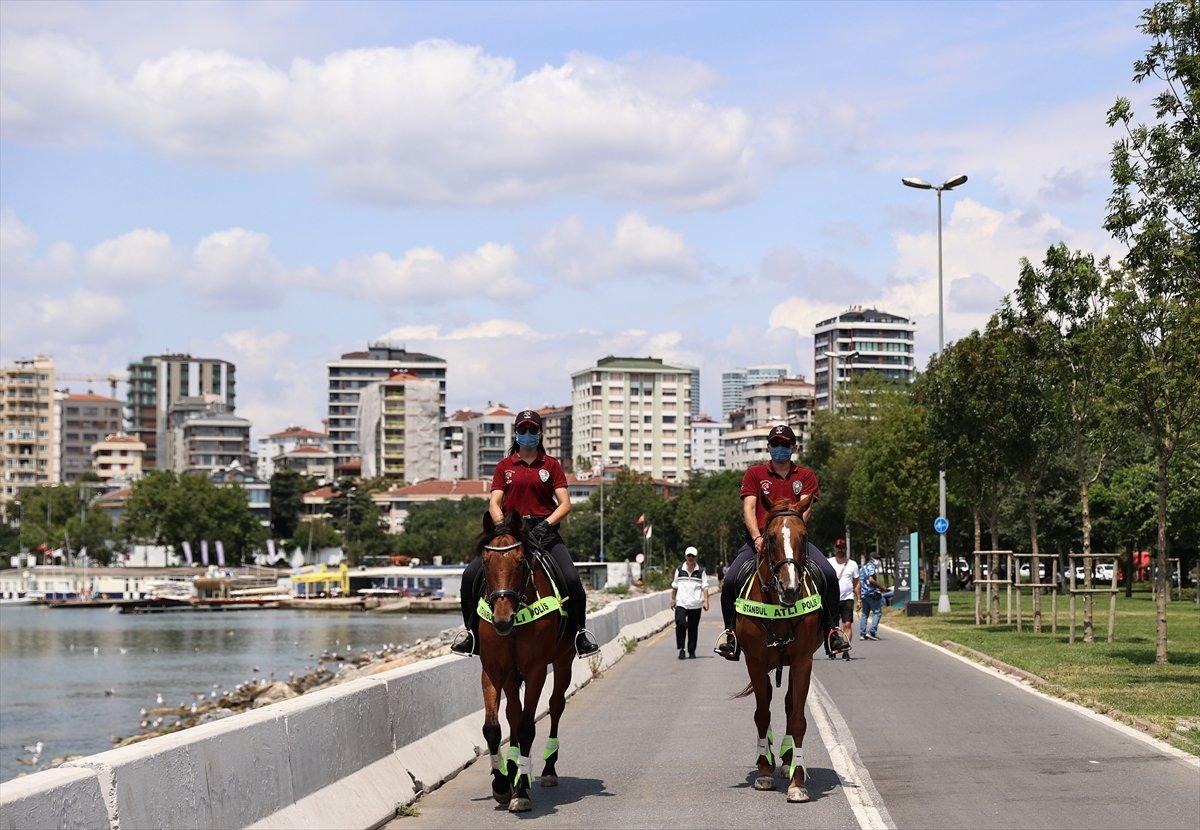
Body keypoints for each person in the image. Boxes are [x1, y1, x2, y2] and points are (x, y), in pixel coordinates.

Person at [451, 409, 599, 657]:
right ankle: (471, 634)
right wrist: (502, 526)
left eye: (532, 430)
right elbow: (494, 502)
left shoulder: (551, 466)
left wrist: (546, 524)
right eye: (523, 430)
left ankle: (580, 634)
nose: (527, 434)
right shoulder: (504, 466)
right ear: (516, 433)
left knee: (572, 580)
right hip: (511, 532)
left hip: (545, 533)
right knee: (470, 576)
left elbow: (565, 504)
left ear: (540, 434)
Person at [716, 424, 850, 660]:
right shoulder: (754, 474)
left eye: (785, 445)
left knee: (829, 574)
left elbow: (806, 510)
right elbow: (748, 508)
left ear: (794, 447)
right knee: (729, 581)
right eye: (775, 444)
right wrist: (757, 537)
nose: (780, 448)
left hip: (794, 542)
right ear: (768, 447)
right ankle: (731, 636)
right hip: (759, 542)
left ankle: (832, 630)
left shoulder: (805, 476)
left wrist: (794, 527)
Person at [671, 546, 709, 659]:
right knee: (681, 624)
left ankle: (691, 651)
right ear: (685, 556)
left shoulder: (701, 571)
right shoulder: (679, 570)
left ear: (696, 557)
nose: (690, 558)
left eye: (693, 556)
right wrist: (673, 600)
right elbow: (674, 586)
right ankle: (681, 648)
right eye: (689, 555)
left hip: (695, 604)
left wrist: (706, 601)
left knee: (693, 628)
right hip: (681, 603)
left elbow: (705, 587)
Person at [832, 538, 859, 661]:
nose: (840, 550)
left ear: (846, 549)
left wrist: (859, 599)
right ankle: (833, 646)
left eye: (842, 547)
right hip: (832, 599)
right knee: (833, 626)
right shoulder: (829, 562)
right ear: (835, 548)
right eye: (838, 547)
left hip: (847, 598)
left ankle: (845, 649)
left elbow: (856, 583)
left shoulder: (852, 564)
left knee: (847, 624)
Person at [859, 552, 884, 640]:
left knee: (865, 614)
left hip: (864, 594)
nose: (878, 560)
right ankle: (872, 632)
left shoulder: (863, 568)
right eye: (876, 558)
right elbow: (871, 580)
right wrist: (881, 587)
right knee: (877, 612)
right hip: (871, 593)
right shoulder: (871, 567)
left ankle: (862, 634)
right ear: (871, 558)